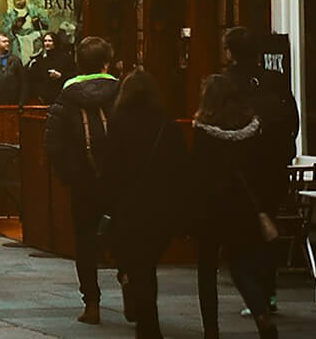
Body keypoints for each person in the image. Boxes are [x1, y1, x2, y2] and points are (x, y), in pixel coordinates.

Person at [100, 69, 190, 339]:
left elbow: (110, 170)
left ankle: (146, 321)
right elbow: (181, 168)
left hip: (129, 206)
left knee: (138, 265)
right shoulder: (167, 124)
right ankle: (145, 315)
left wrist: (108, 203)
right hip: (161, 206)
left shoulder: (118, 123)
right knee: (148, 263)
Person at [192, 73, 279, 339]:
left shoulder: (203, 132)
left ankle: (211, 330)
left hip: (211, 208)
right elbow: (263, 170)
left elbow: (198, 173)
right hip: (243, 208)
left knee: (207, 271)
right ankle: (262, 315)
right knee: (241, 267)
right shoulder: (253, 129)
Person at [221, 27, 300, 318]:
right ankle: (268, 290)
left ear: (230, 52)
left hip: (240, 169)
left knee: (242, 233)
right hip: (273, 167)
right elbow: (293, 118)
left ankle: (256, 292)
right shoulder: (275, 80)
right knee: (267, 224)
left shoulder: (226, 83)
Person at [45, 35, 121, 325]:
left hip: (83, 182)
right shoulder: (121, 92)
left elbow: (53, 143)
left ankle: (92, 303)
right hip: (118, 179)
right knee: (125, 232)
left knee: (85, 241)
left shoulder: (66, 96)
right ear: (106, 63)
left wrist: (70, 176)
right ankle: (128, 281)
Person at [26, 31, 75, 106]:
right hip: (45, 100)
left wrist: (60, 76)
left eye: (50, 41)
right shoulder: (41, 60)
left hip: (62, 97)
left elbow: (73, 75)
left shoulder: (65, 58)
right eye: (45, 41)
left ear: (55, 42)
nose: (47, 43)